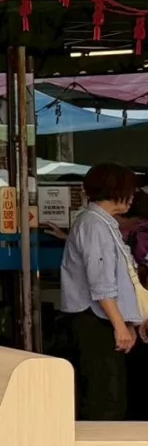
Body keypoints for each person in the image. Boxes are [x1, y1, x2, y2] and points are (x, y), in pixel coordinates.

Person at [59, 162, 141, 424]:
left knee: (109, 392)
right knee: (105, 396)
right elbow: (101, 282)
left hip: (104, 318)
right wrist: (120, 326)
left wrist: (128, 321)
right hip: (96, 319)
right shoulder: (94, 225)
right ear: (115, 190)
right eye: (129, 190)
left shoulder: (103, 223)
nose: (133, 196)